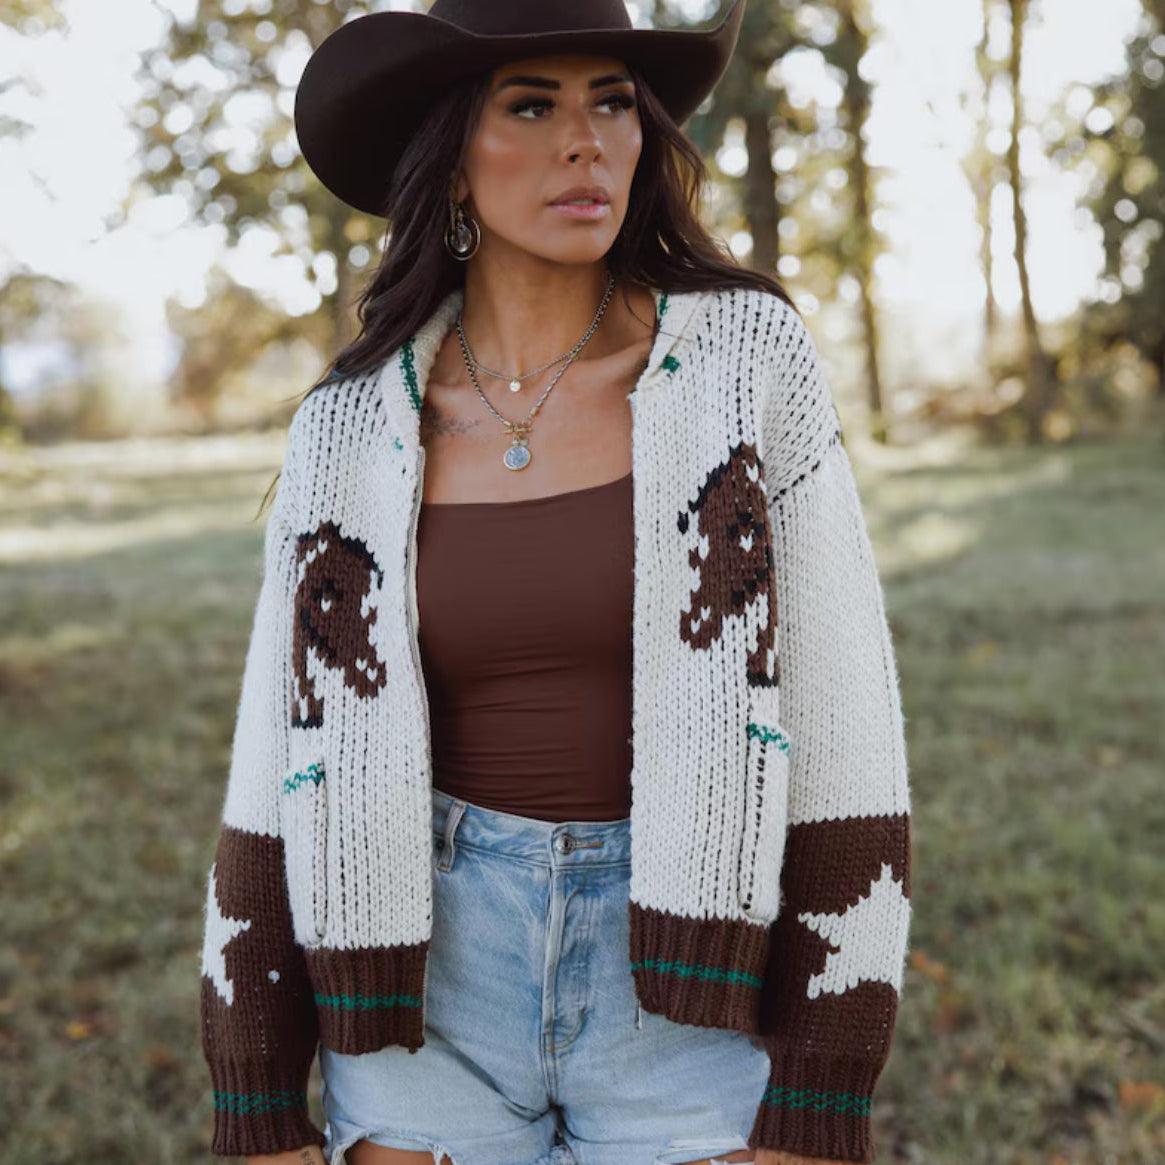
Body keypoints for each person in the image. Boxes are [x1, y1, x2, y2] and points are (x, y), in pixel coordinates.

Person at [197, 2, 912, 1164]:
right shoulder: (348, 425)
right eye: (531, 106)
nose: (584, 141)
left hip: (688, 993)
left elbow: (845, 724)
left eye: (612, 103)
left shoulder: (741, 365)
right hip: (425, 992)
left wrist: (823, 1084)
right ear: (450, 159)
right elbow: (279, 754)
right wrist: (257, 1097)